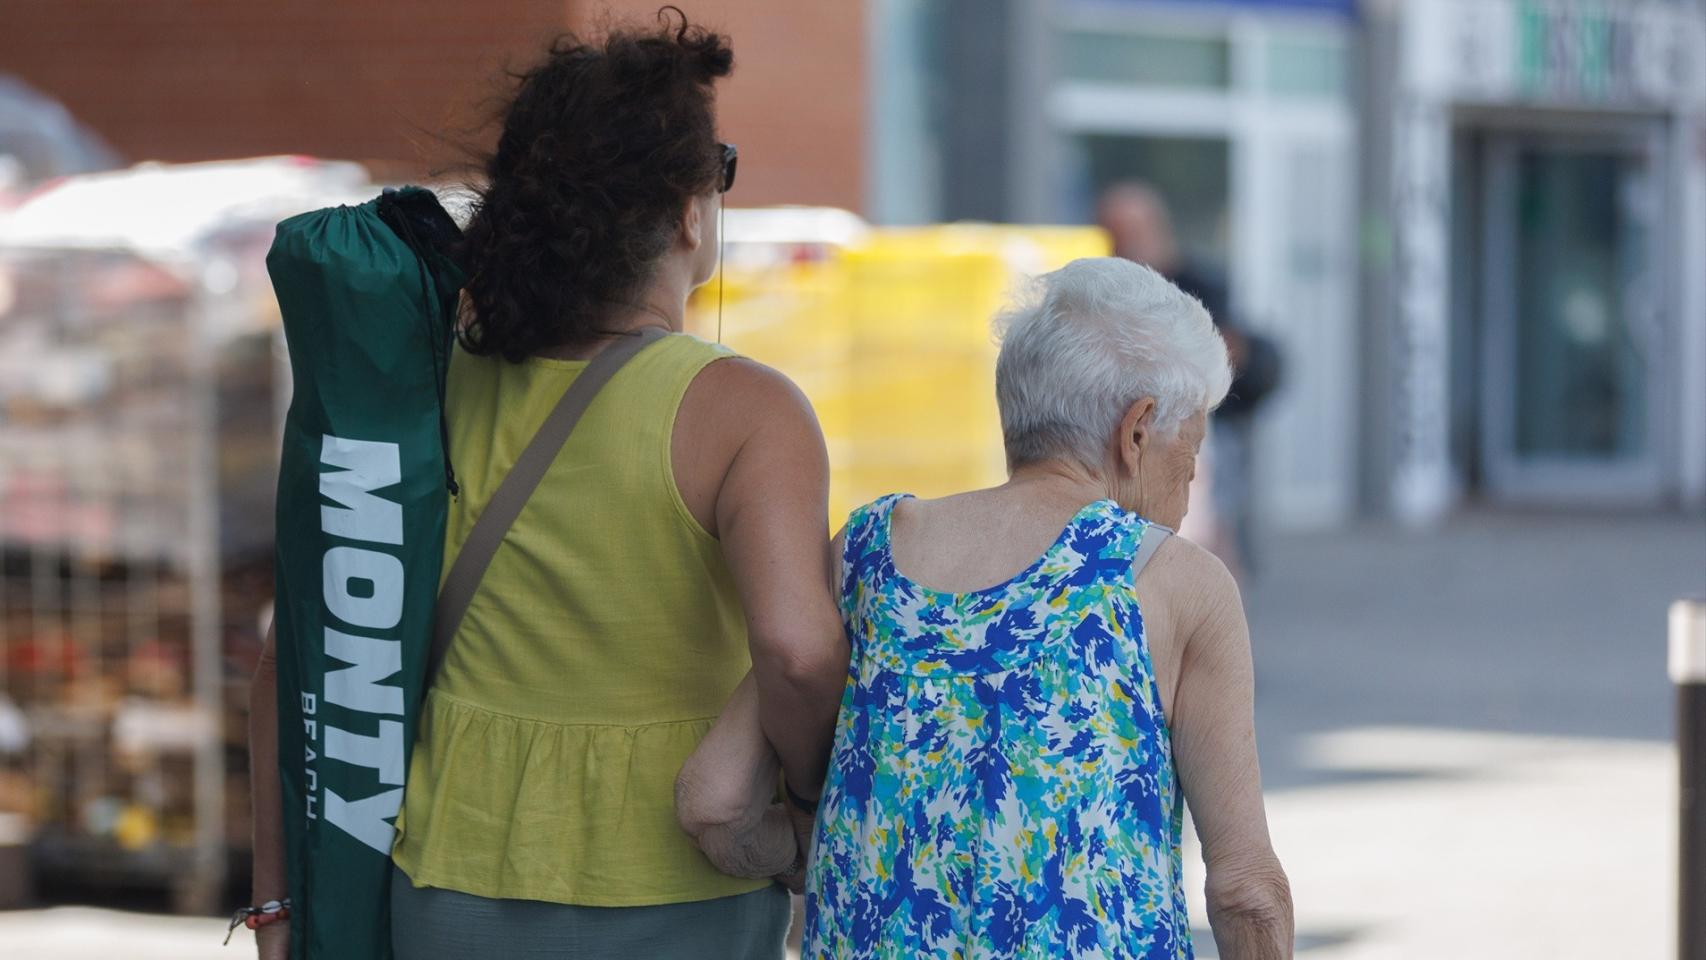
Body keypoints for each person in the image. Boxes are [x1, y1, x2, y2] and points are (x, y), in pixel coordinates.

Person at [247, 13, 848, 960]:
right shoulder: (748, 413)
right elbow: (800, 653)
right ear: (690, 209)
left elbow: (301, 647)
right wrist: (809, 813)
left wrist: (278, 906)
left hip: (448, 884)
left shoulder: (429, 381)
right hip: (677, 895)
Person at [800, 258, 1293, 957]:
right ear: (1138, 431)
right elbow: (1246, 889)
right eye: (1195, 443)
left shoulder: (869, 549)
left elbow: (715, 798)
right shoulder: (1177, 583)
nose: (1192, 475)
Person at [1097, 183, 1281, 577]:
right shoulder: (1099, 292)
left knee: (1203, 533)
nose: (1123, 244)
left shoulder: (1198, 285)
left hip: (1191, 432)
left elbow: (1244, 355)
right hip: (1127, 439)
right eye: (1114, 234)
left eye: (1131, 233)